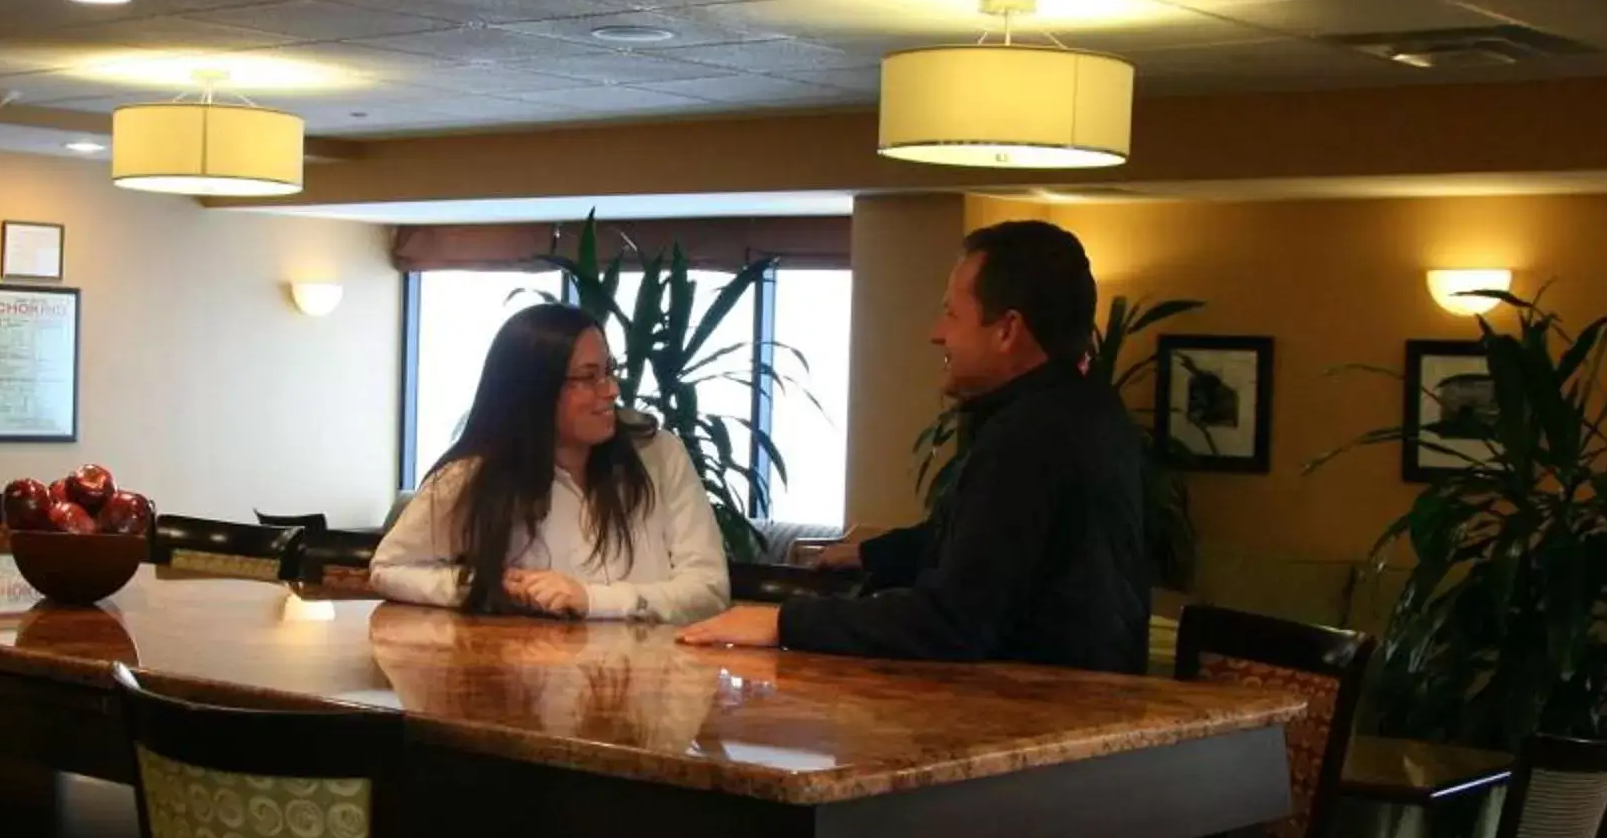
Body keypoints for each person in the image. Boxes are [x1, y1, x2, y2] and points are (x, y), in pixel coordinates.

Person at [678, 219, 1150, 664]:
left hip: (1042, 718)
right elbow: (993, 543)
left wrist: (784, 621)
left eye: (951, 313)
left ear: (1007, 329)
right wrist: (872, 554)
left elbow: (953, 621)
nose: (936, 333)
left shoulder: (1027, 437)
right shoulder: (1092, 412)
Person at [373, 303, 731, 626]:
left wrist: (591, 600)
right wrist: (484, 586)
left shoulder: (658, 453)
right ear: (534, 390)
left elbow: (708, 589)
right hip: (531, 686)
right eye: (588, 377)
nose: (611, 390)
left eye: (609, 370)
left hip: (657, 683)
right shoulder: (475, 474)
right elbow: (389, 568)